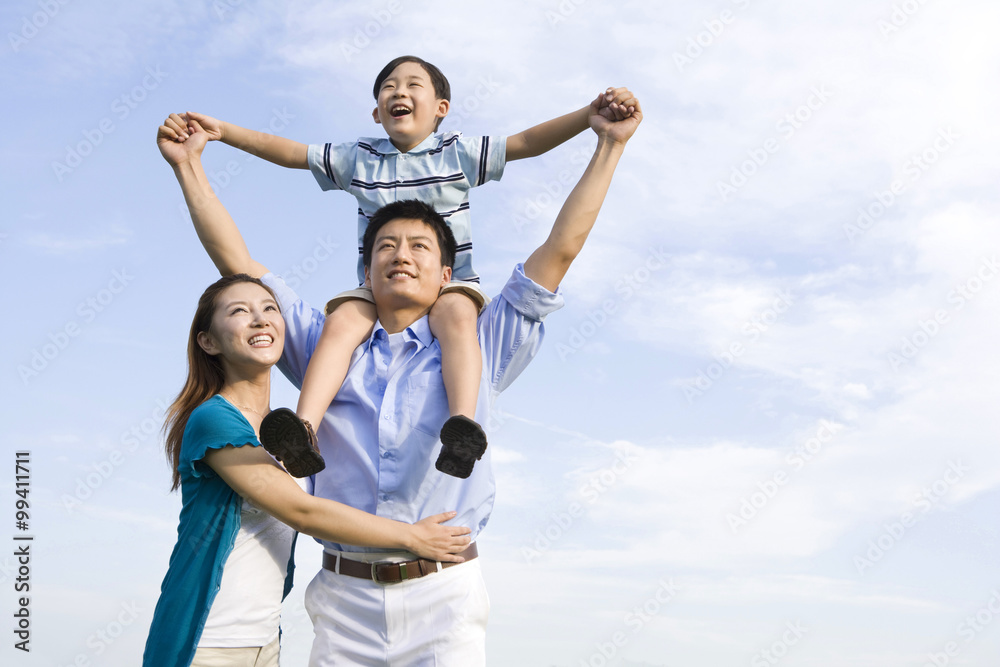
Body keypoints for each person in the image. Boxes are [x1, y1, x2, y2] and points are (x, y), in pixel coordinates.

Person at [158, 88, 641, 665]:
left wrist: (607, 147)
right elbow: (237, 267)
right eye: (385, 245)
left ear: (446, 273)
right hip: (342, 600)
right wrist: (190, 167)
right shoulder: (323, 344)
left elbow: (560, 251)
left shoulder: (479, 341)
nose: (400, 254)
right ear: (366, 269)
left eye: (418, 246)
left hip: (445, 598)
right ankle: (302, 431)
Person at [174, 55, 637, 478]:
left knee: (455, 318)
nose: (399, 91)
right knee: (340, 323)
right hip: (371, 293)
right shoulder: (360, 157)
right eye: (388, 87)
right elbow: (290, 152)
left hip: (455, 289)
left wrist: (587, 120)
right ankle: (304, 429)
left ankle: (461, 425)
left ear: (441, 107)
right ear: (376, 112)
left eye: (414, 84)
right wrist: (223, 134)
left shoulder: (456, 152)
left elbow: (527, 143)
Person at [144, 130, 473, 667]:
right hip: (205, 640)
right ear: (208, 340)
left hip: (262, 644)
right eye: (238, 312)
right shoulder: (213, 421)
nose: (260, 318)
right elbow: (301, 508)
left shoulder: (294, 408)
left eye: (269, 309)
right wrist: (411, 538)